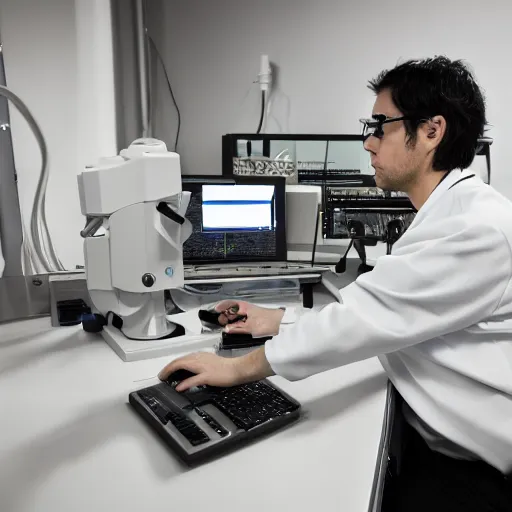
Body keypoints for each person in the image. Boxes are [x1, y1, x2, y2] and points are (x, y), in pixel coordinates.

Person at [159, 56, 512, 511]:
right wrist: (280, 319)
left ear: (431, 131)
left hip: (472, 472)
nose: (368, 142)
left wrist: (234, 368)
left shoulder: (474, 229)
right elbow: (385, 313)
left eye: (380, 125)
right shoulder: (453, 213)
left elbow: (365, 320)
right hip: (441, 438)